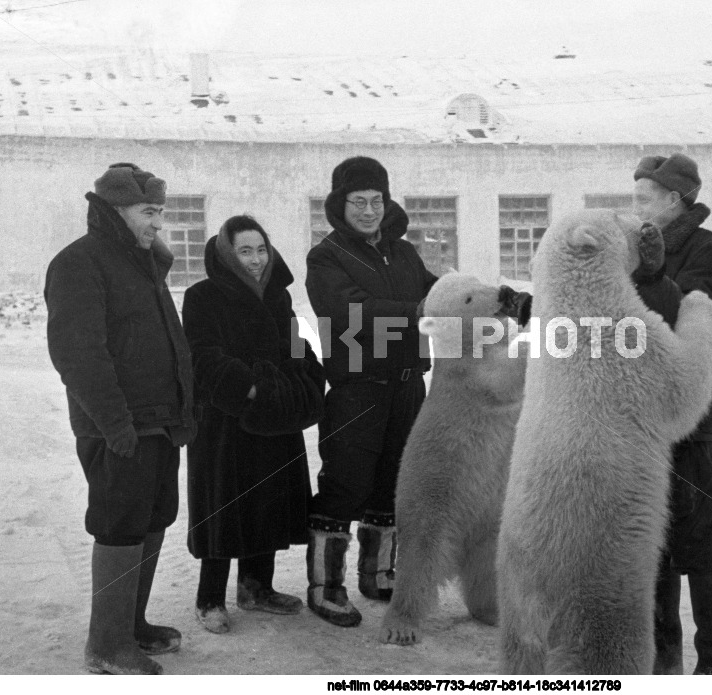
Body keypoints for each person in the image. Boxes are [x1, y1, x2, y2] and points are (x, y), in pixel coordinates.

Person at [45, 163, 197, 675]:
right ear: (116, 211)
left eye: (160, 212)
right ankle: (107, 645)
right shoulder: (80, 263)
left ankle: (131, 625)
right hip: (118, 427)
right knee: (118, 525)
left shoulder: (141, 263)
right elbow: (79, 354)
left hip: (156, 422)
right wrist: (114, 425)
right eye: (148, 212)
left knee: (151, 519)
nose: (159, 223)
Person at [304, 156, 437, 627]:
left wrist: (480, 299)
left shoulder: (403, 253)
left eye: (376, 200)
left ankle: (378, 573)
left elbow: (435, 294)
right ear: (341, 204)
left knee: (393, 483)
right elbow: (350, 312)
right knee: (345, 483)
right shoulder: (326, 257)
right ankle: (325, 585)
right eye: (358, 201)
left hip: (405, 386)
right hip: (357, 388)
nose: (368, 210)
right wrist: (416, 310)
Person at [182, 215, 326, 634]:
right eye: (245, 251)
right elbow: (202, 357)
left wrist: (306, 385)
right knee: (225, 505)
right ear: (227, 254)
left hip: (277, 418)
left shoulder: (279, 299)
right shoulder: (202, 297)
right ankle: (209, 596)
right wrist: (251, 391)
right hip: (225, 425)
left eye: (261, 249)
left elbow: (299, 350)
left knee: (269, 501)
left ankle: (256, 587)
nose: (256, 259)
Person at [631, 153, 712, 675]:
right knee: (654, 534)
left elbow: (690, 316)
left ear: (675, 199)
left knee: (699, 537)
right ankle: (662, 657)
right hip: (650, 415)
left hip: (694, 416)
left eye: (645, 197)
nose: (637, 207)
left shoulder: (706, 251)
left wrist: (649, 276)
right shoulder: (648, 249)